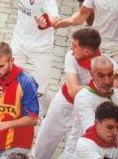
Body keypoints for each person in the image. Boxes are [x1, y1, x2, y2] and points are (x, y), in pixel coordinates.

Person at [33, 27, 103, 159]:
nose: (71, 48)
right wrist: (99, 88)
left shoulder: (106, 65)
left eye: (75, 45)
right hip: (63, 103)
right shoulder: (71, 56)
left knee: (73, 150)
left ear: (87, 51)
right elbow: (72, 90)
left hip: (84, 111)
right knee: (44, 141)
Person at [63, 57, 118, 157]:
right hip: (81, 153)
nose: (107, 81)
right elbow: (92, 129)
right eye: (101, 76)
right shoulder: (84, 97)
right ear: (92, 75)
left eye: (110, 75)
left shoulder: (116, 94)